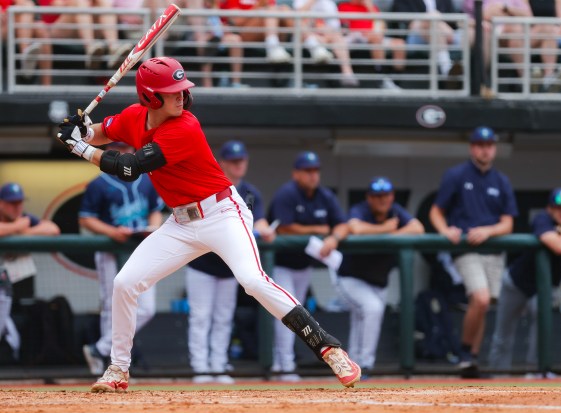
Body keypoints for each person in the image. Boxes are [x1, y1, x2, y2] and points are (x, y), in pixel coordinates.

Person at [55, 56, 360, 392]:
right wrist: (81, 130)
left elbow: (129, 167)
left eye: (183, 90)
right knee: (125, 283)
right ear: (150, 97)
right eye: (172, 91)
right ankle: (117, 370)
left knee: (252, 281)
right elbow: (103, 132)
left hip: (222, 214)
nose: (181, 96)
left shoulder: (185, 126)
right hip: (181, 223)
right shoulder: (132, 116)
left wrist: (79, 147)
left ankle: (329, 348)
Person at [429, 126, 518, 378]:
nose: (485, 149)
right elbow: (436, 212)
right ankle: (465, 353)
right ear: (472, 148)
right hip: (466, 249)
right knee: (479, 298)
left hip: (493, 250)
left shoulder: (501, 180)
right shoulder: (456, 175)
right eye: (480, 144)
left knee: (484, 304)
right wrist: (445, 230)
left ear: (495, 148)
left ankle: (471, 361)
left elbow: (508, 223)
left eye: (489, 145)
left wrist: (489, 231)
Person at [186, 140, 276, 384]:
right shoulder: (208, 185)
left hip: (228, 267)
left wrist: (265, 230)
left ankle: (217, 366)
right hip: (202, 263)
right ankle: (200, 367)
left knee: (224, 317)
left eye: (242, 160)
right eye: (233, 161)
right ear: (222, 163)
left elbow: (259, 221)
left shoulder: (251, 192)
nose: (239, 165)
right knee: (201, 316)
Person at [488, 188, 561, 372]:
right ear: (550, 209)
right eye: (558, 208)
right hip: (516, 284)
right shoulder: (542, 219)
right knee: (503, 334)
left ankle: (536, 372)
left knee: (542, 329)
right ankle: (498, 375)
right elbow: (560, 246)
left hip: (543, 288)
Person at [79, 142, 165, 376]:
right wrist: (111, 232)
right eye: (118, 147)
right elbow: (86, 219)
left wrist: (153, 227)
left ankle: (100, 349)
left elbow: (156, 209)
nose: (125, 152)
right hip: (111, 249)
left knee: (146, 308)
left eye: (127, 147)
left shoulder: (147, 179)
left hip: (142, 248)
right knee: (110, 305)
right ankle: (112, 365)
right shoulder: (98, 184)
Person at [267, 151, 350, 381]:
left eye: (315, 171)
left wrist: (333, 237)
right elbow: (284, 228)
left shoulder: (324, 195)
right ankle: (282, 365)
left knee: (297, 315)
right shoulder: (287, 193)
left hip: (303, 267)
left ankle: (285, 363)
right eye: (307, 171)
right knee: (286, 314)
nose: (313, 175)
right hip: (281, 265)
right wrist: (320, 229)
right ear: (297, 173)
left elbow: (342, 224)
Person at [335, 176, 425, 378]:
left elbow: (418, 228)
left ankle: (352, 367)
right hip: (351, 278)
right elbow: (355, 228)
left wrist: (392, 235)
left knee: (363, 318)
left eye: (385, 195)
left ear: (392, 196)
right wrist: (385, 229)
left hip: (378, 282)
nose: (382, 200)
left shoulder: (396, 212)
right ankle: (364, 365)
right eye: (377, 196)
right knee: (372, 309)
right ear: (369, 197)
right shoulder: (362, 209)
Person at [0, 182, 61, 360]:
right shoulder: (21, 222)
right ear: (1, 203)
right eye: (12, 203)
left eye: (19, 202)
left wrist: (22, 232)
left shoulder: (25, 219)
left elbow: (53, 229)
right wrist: (17, 228)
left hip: (12, 288)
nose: (17, 207)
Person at [462, 0, 561, 93]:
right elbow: (485, 14)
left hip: (521, 33)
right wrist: (512, 14)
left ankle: (548, 80)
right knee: (514, 30)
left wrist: (506, 9)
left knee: (547, 28)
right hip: (494, 34)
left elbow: (528, 16)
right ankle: (527, 80)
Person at [391, 0, 490, 79]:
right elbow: (407, 23)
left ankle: (481, 80)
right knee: (432, 21)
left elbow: (455, 19)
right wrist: (434, 20)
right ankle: (446, 70)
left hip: (446, 33)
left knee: (479, 33)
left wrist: (477, 24)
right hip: (417, 36)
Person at [38, 0, 133, 70]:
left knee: (103, 2)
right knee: (80, 2)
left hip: (86, 24)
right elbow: (48, 9)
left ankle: (114, 47)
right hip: (54, 28)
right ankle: (90, 47)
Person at [337, 0, 406, 90]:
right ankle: (381, 76)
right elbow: (343, 27)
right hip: (353, 36)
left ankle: (396, 81)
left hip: (373, 36)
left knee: (399, 44)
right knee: (376, 38)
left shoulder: (372, 7)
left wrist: (369, 7)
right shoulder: (343, 6)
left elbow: (382, 26)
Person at [293, 0, 360, 87]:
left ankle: (347, 74)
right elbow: (297, 18)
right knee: (302, 27)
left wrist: (324, 38)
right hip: (303, 35)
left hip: (324, 36)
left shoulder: (328, 3)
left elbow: (334, 28)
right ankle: (315, 46)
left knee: (337, 37)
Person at [219, 0, 293, 64]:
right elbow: (236, 22)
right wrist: (256, 8)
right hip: (243, 33)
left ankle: (303, 39)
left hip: (271, 32)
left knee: (284, 8)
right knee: (269, 10)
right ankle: (272, 46)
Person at [1, 0, 52, 85]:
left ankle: (47, 89)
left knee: (41, 29)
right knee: (27, 6)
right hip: (3, 24)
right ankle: (26, 57)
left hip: (14, 19)